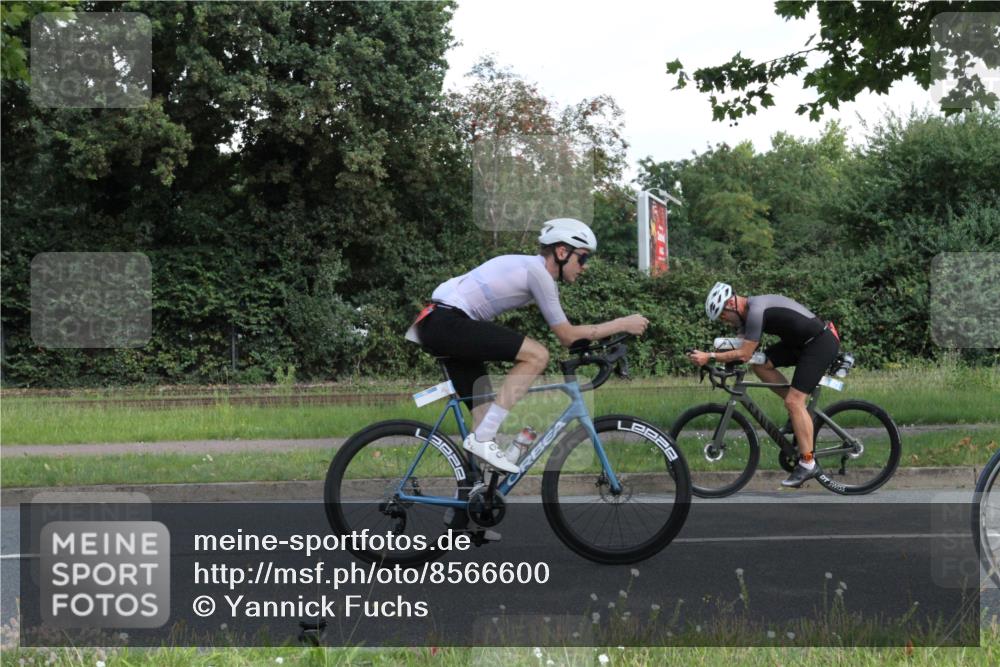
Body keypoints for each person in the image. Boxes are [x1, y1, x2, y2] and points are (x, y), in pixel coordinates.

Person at [411, 218, 649, 474]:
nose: (585, 266)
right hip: (447, 321)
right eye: (582, 258)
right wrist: (622, 323)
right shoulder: (538, 273)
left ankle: (474, 490)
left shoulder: (533, 270)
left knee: (484, 418)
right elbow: (567, 335)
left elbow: (571, 335)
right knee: (537, 355)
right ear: (562, 252)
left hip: (441, 322)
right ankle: (482, 440)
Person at [687, 282, 841, 488]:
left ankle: (808, 463)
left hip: (819, 343)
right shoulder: (746, 316)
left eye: (723, 315)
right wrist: (719, 365)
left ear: (731, 304)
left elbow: (744, 353)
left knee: (794, 402)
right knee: (761, 365)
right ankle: (799, 414)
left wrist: (710, 357)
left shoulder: (756, 310)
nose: (724, 321)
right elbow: (740, 350)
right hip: (799, 344)